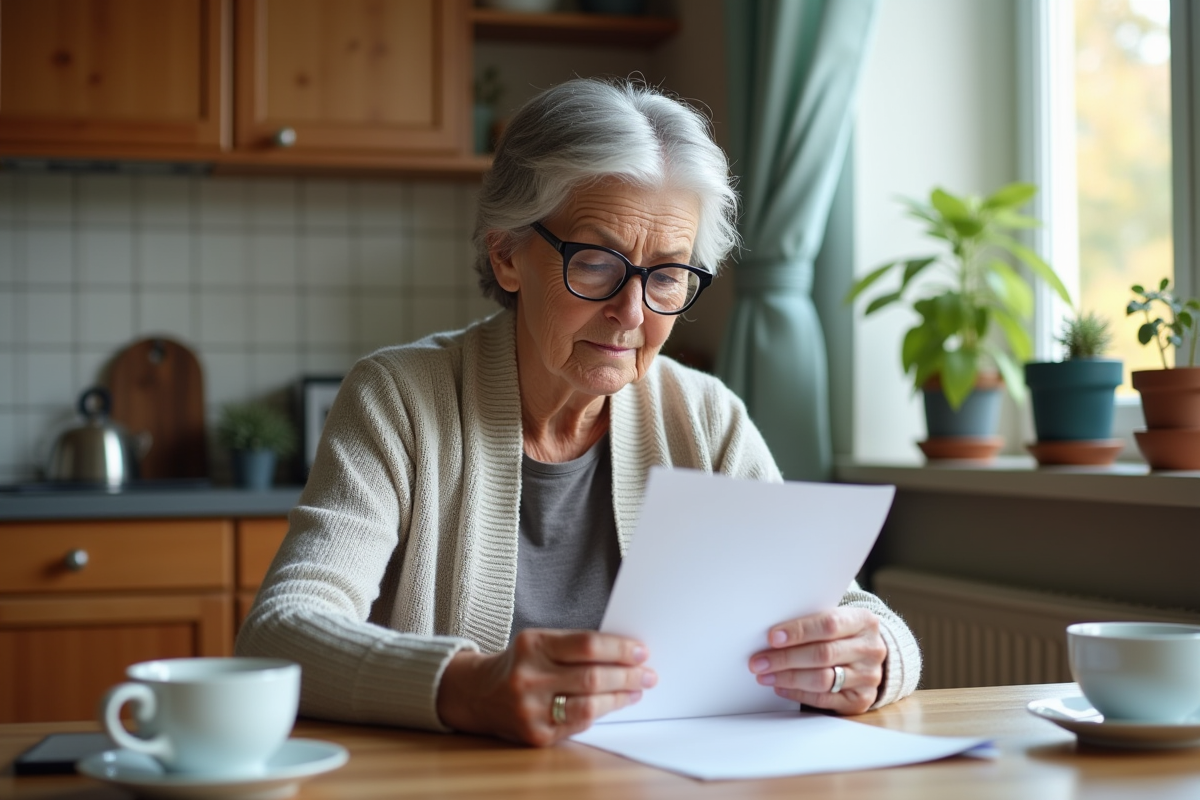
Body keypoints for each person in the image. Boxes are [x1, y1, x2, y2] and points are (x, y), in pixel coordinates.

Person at [236, 77, 921, 747]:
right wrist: (468, 686)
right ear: (507, 254)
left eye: (667, 274)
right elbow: (281, 629)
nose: (632, 312)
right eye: (596, 263)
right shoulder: (399, 399)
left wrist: (874, 657)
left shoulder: (705, 414)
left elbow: (852, 613)